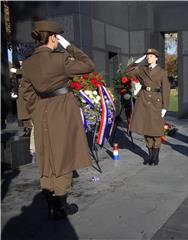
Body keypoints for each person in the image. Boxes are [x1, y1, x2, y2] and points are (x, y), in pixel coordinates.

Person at [22, 20, 95, 220]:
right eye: (57, 38)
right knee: (63, 158)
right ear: (53, 37)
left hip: (41, 112)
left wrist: (31, 116)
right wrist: (69, 46)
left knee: (46, 158)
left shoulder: (28, 63)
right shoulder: (60, 59)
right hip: (62, 110)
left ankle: (50, 205)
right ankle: (61, 207)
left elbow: (26, 94)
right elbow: (89, 65)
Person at [125, 48, 170, 165]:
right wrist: (136, 62)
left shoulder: (162, 72)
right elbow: (128, 72)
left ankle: (156, 157)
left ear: (156, 58)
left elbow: (166, 90)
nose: (148, 57)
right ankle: (149, 156)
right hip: (143, 100)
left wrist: (165, 107)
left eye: (151, 56)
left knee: (156, 130)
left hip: (156, 101)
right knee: (146, 129)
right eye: (147, 56)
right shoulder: (142, 69)